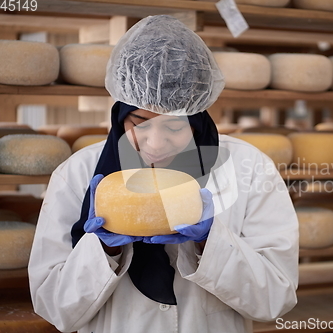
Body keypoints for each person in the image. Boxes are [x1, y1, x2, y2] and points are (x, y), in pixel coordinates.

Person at [28, 15, 299, 333]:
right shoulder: (77, 175)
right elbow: (54, 308)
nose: (155, 144)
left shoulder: (248, 168)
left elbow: (276, 299)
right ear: (120, 115)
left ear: (197, 119)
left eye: (173, 126)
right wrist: (104, 250)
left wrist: (209, 244)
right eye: (138, 123)